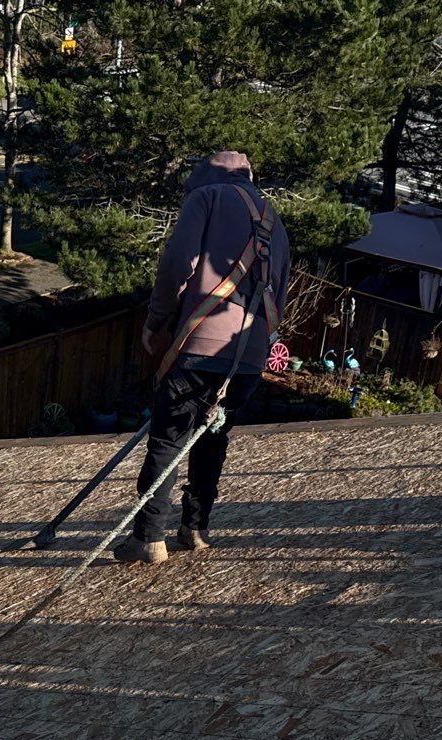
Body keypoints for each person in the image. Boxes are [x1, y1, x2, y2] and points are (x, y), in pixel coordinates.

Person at [116, 150, 291, 566]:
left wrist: (156, 322)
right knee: (213, 437)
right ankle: (195, 527)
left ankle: (148, 538)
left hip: (199, 345)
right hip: (248, 354)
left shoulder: (207, 198)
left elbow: (178, 264)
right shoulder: (274, 222)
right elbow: (281, 291)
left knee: (168, 439)